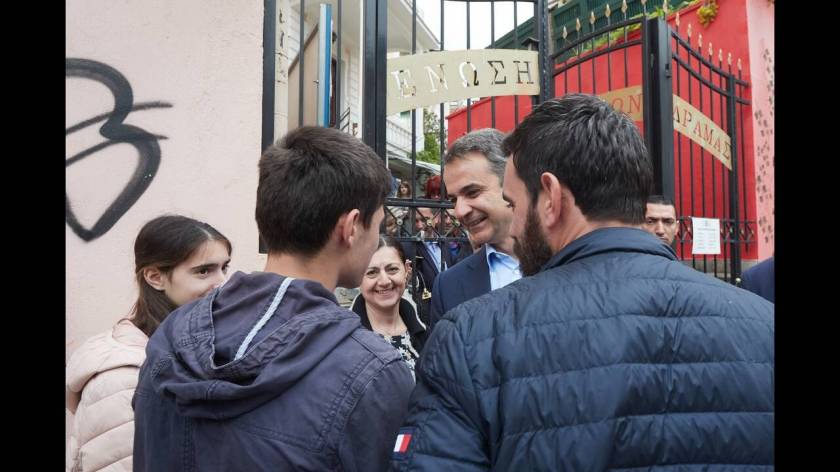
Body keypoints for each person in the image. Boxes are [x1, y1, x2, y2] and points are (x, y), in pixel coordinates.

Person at [392, 94, 774, 470]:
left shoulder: (469, 337)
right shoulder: (765, 325)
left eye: (514, 203)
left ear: (551, 198)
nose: (515, 222)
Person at [133, 126, 414, 471]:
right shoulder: (373, 372)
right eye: (379, 225)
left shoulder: (170, 337)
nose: (376, 239)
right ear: (351, 227)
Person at [66, 214, 232, 472]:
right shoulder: (123, 379)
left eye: (224, 268)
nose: (222, 284)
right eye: (204, 271)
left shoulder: (187, 349)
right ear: (155, 277)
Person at [429, 128, 520, 332]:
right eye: (453, 199)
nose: (459, 211)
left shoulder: (568, 261)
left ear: (511, 183)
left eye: (472, 192)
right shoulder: (448, 286)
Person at [351, 235, 428, 377]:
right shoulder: (347, 342)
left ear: (406, 270)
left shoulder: (425, 330)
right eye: (372, 272)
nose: (384, 281)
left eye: (392, 269)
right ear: (357, 277)